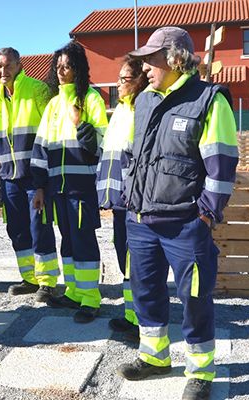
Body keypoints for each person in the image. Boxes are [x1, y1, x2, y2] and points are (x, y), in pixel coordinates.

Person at [115, 27, 238, 400]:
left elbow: (221, 166)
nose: (145, 66)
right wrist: (128, 201)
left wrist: (205, 216)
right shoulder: (145, 100)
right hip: (141, 221)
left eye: (151, 59)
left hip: (186, 225)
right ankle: (154, 358)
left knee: (195, 298)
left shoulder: (209, 101)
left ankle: (200, 371)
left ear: (174, 58)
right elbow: (133, 158)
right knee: (144, 292)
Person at [31, 41, 108, 323]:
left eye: (68, 66)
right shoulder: (52, 105)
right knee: (68, 241)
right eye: (59, 66)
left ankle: (91, 299)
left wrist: (83, 129)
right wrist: (40, 186)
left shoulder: (90, 99)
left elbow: (102, 141)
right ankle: (74, 292)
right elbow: (40, 149)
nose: (62, 71)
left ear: (79, 68)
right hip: (57, 188)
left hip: (81, 186)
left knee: (84, 240)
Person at [0, 47, 59, 302]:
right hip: (9, 177)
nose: (2, 71)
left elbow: (48, 135)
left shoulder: (37, 90)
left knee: (39, 227)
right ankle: (29, 278)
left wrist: (42, 180)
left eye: (7, 65)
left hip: (34, 176)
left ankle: (47, 281)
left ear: (19, 65)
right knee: (16, 229)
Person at [96, 55, 148, 342]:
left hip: (134, 201)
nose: (118, 84)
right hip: (119, 202)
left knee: (136, 261)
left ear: (140, 79)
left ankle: (144, 321)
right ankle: (132, 315)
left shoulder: (143, 109)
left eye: (124, 79)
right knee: (123, 256)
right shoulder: (121, 110)